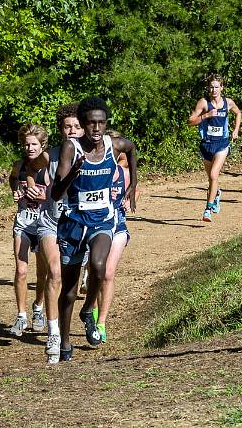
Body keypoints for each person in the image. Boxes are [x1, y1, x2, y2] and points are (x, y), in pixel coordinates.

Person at [52, 96, 138, 362]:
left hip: (102, 219)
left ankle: (88, 310)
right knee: (68, 288)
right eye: (91, 123)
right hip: (74, 222)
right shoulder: (71, 148)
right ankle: (65, 343)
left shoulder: (114, 146)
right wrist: (72, 175)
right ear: (83, 124)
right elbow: (56, 193)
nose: (97, 129)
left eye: (101, 123)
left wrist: (132, 185)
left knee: (100, 266)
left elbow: (132, 149)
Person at [37, 104, 84, 364]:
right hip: (50, 221)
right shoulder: (50, 155)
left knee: (72, 283)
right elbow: (23, 167)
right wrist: (28, 187)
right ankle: (53, 333)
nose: (72, 131)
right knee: (54, 273)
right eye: (67, 127)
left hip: (78, 223)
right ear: (60, 130)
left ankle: (83, 320)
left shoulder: (93, 154)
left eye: (76, 126)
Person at [93, 134, 141, 344]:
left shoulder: (124, 172)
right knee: (94, 272)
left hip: (118, 225)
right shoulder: (93, 171)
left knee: (108, 273)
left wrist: (130, 197)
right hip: (94, 225)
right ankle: (91, 315)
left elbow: (135, 189)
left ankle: (101, 323)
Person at [7, 123, 49, 336]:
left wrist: (44, 197)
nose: (30, 148)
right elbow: (13, 179)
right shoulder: (19, 165)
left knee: (42, 274)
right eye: (26, 144)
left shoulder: (50, 167)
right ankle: (21, 316)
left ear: (43, 145)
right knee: (21, 271)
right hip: (23, 223)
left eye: (34, 144)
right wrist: (15, 191)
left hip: (44, 225)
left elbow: (58, 195)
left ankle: (38, 308)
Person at [188, 74, 242, 222]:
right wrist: (206, 116)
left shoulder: (228, 102)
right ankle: (216, 194)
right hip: (206, 145)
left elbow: (238, 113)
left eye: (217, 87)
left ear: (222, 88)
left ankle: (208, 209)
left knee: (213, 175)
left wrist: (235, 130)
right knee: (212, 180)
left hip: (222, 144)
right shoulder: (204, 103)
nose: (214, 90)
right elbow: (190, 121)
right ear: (208, 88)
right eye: (211, 87)